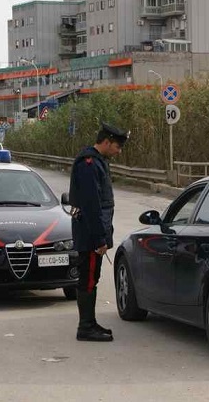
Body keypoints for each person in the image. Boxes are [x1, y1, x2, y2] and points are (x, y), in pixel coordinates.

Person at [68, 121, 130, 342]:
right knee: (87, 279)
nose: (118, 151)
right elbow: (92, 205)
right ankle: (85, 327)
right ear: (106, 141)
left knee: (91, 278)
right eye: (117, 146)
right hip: (90, 236)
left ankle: (90, 323)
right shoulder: (89, 163)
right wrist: (99, 239)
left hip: (92, 234)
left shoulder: (97, 162)